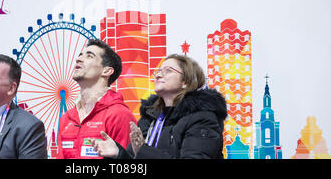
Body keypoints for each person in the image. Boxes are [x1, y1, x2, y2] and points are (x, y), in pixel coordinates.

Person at [93, 54, 228, 159]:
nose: (158, 75)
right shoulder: (151, 117)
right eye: (158, 71)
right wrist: (118, 153)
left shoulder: (202, 118)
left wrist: (142, 150)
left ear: (185, 82)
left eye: (168, 70)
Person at [57, 39, 136, 159]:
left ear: (107, 71)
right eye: (80, 55)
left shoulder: (120, 114)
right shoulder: (66, 118)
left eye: (89, 56)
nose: (78, 59)